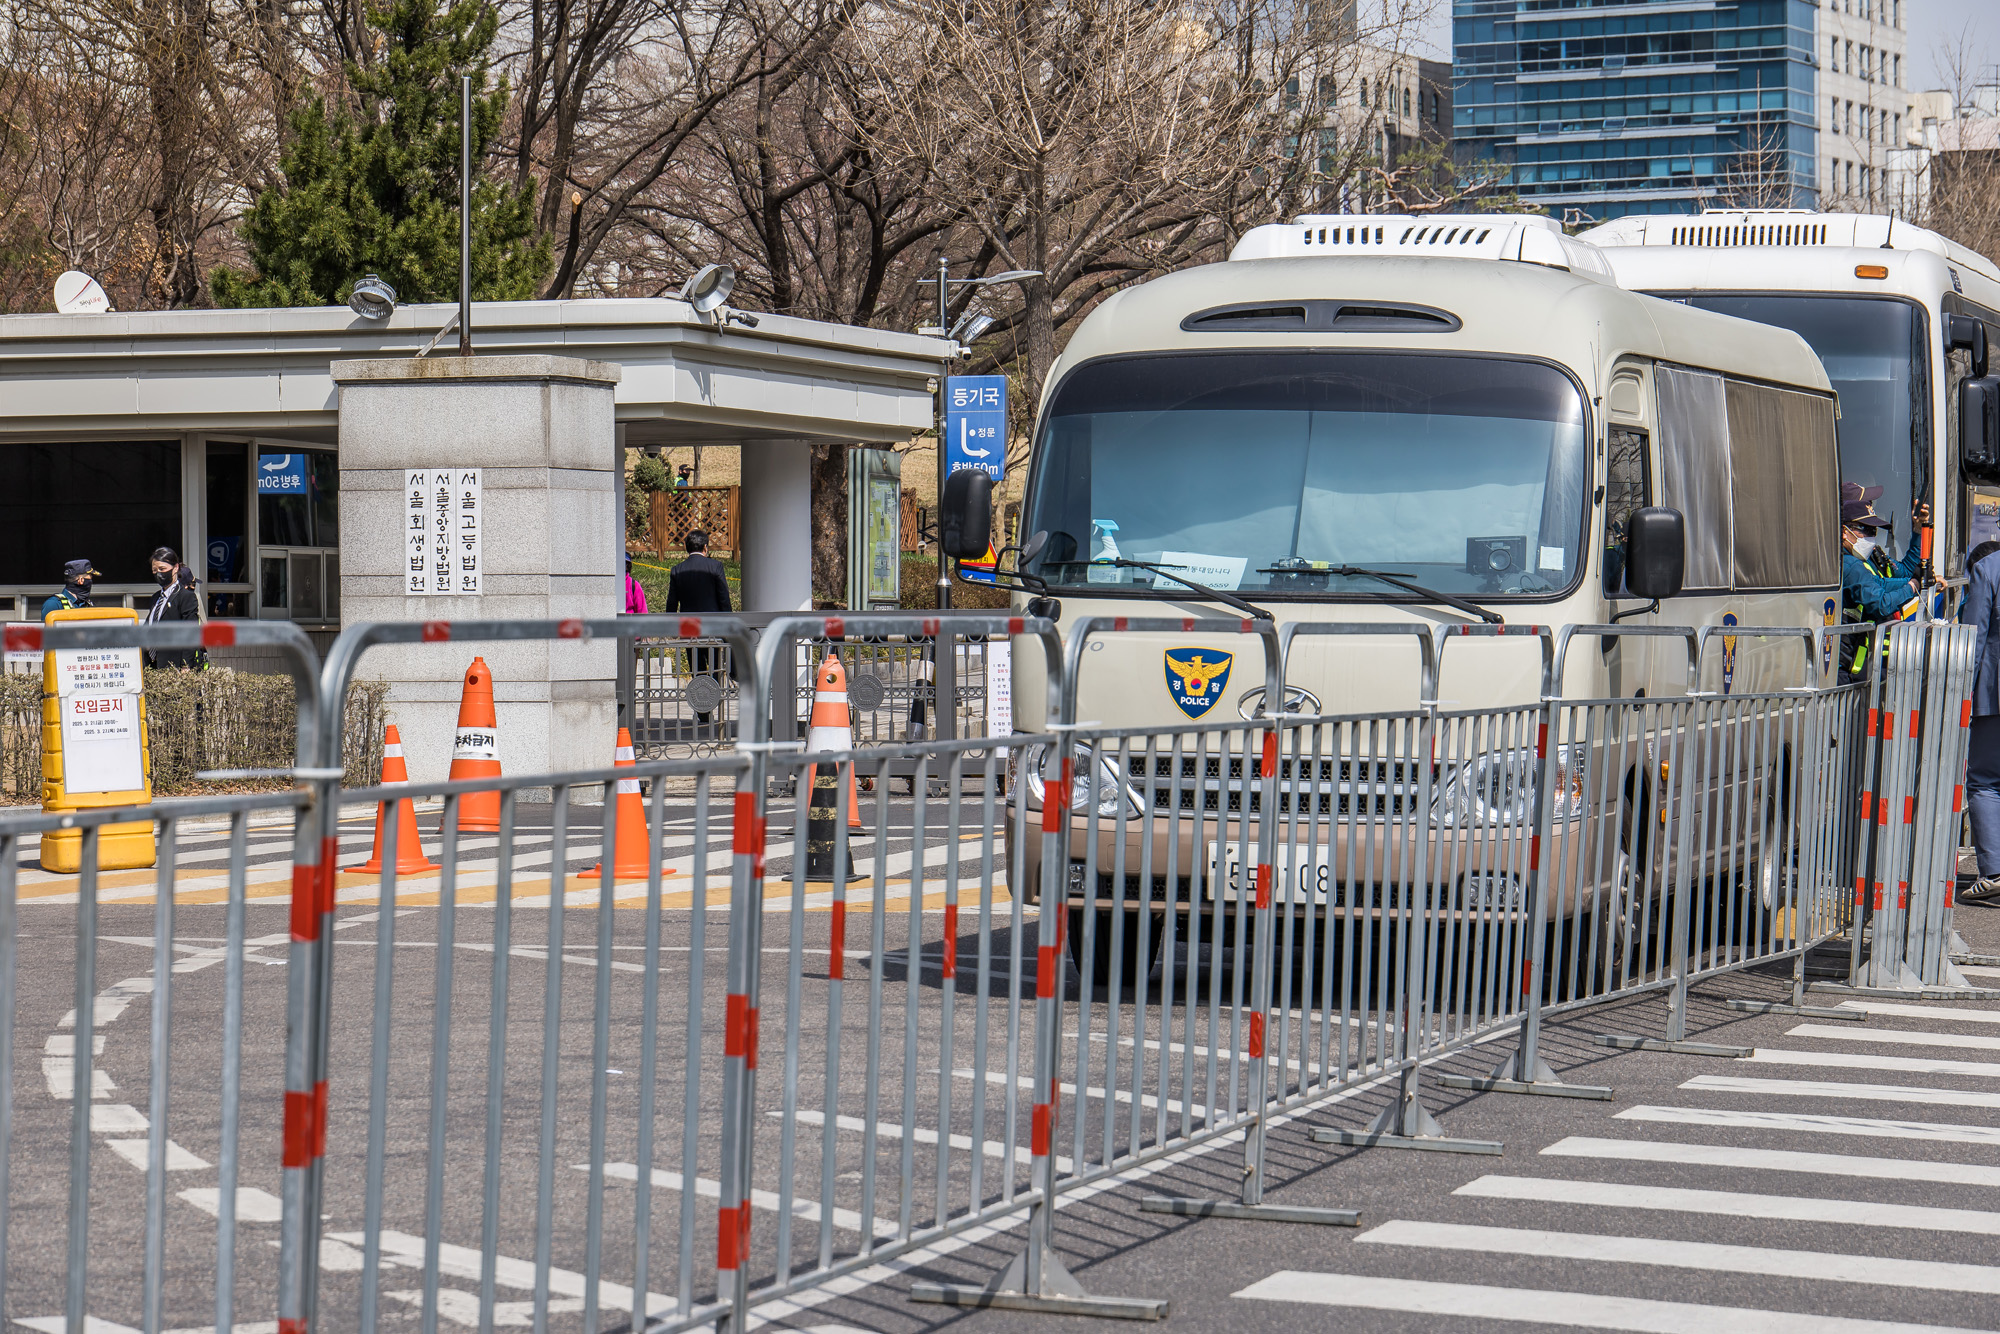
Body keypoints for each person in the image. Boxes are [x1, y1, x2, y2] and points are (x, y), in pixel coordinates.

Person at [1839, 483, 1938, 680]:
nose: (1872, 536)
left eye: (1874, 531)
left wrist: (1918, 532)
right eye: (1866, 529)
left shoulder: (1870, 553)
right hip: (1853, 664)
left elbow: (1894, 576)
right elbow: (1880, 600)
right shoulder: (1849, 563)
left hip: (1870, 661)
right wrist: (1913, 585)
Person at [1962, 538, 2000, 900]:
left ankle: (1994, 872)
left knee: (1986, 782)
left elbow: (1973, 641)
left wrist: (1963, 696)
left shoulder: (1987, 569)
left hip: (1994, 696)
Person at [665, 530, 732, 725]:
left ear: (686, 548)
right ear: (705, 547)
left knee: (697, 669)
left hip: (689, 630)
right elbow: (723, 599)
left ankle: (703, 711)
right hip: (714, 628)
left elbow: (672, 603)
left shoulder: (677, 570)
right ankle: (716, 703)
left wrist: (671, 627)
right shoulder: (715, 566)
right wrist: (728, 622)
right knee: (717, 667)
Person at [144, 546, 205, 669]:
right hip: (152, 666)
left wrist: (185, 666)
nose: (159, 573)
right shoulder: (156, 598)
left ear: (175, 568)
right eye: (155, 570)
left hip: (173, 666)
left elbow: (190, 633)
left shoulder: (185, 597)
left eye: (162, 569)